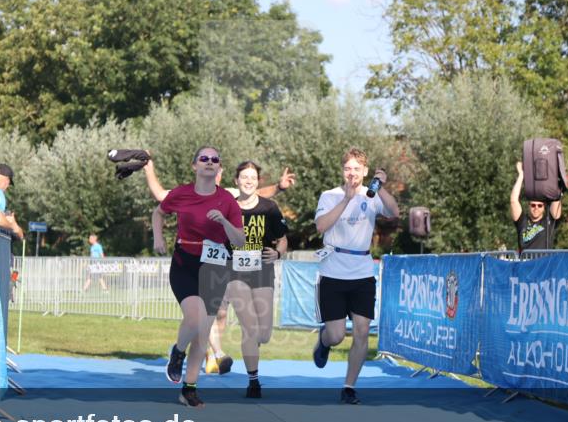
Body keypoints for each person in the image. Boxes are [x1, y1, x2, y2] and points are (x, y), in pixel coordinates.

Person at [141, 156, 296, 375]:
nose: (214, 172)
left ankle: (210, 354)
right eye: (208, 164)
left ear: (222, 174)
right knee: (211, 313)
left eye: (217, 167)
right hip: (220, 266)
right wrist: (149, 170)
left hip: (250, 268)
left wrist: (279, 188)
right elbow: (160, 197)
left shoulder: (230, 196)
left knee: (234, 322)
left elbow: (257, 194)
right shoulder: (203, 196)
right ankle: (214, 354)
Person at [152, 146, 246, 408]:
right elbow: (159, 213)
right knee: (193, 319)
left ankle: (189, 388)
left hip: (215, 268)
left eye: (214, 159)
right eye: (204, 158)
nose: (209, 162)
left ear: (218, 168)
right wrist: (158, 237)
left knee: (203, 332)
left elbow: (239, 239)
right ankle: (177, 352)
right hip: (185, 263)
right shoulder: (181, 193)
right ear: (195, 166)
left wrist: (225, 223)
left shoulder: (227, 200)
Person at [312, 148, 399, 405]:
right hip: (333, 271)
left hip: (362, 271)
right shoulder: (330, 195)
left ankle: (349, 386)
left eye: (356, 169)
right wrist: (346, 199)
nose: (352, 173)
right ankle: (324, 340)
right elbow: (320, 226)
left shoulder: (371, 195)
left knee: (362, 331)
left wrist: (381, 186)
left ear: (365, 171)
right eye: (347, 168)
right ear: (343, 171)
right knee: (337, 334)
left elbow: (394, 212)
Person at [227, 161, 288, 398]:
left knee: (264, 334)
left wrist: (278, 253)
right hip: (235, 272)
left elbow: (283, 239)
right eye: (244, 176)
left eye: (252, 177)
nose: (248, 180)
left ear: (258, 181)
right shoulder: (227, 208)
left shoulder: (269, 208)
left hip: (263, 271)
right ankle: (253, 380)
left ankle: (253, 347)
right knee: (249, 329)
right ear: (236, 181)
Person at [510, 161, 562, 253]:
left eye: (540, 205)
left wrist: (554, 179)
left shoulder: (548, 220)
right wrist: (521, 175)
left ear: (544, 207)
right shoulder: (522, 221)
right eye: (533, 205)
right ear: (529, 206)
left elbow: (556, 200)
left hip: (543, 264)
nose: (536, 208)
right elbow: (513, 201)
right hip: (526, 264)